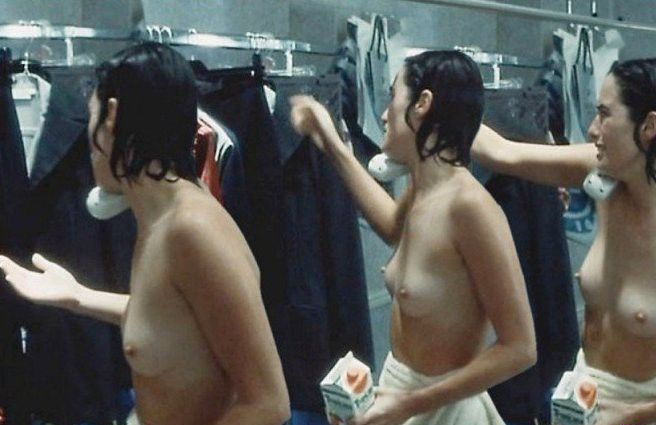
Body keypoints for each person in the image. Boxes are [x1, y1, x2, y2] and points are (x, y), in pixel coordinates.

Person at [0, 42, 290, 425]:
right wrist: (77, 297)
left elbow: (269, 403)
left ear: (111, 119)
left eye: (91, 117)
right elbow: (173, 319)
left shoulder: (190, 228)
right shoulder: (159, 214)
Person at [472, 58, 656, 425]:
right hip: (583, 400)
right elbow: (502, 153)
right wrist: (440, 95)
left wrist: (641, 413)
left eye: (604, 115)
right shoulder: (602, 173)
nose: (591, 130)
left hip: (647, 412)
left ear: (649, 127)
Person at [290, 50, 536, 425]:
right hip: (401, 395)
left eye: (393, 97)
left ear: (422, 104)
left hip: (443, 410)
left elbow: (521, 348)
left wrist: (411, 404)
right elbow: (392, 225)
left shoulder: (470, 208)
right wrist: (332, 144)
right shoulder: (423, 192)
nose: (384, 115)